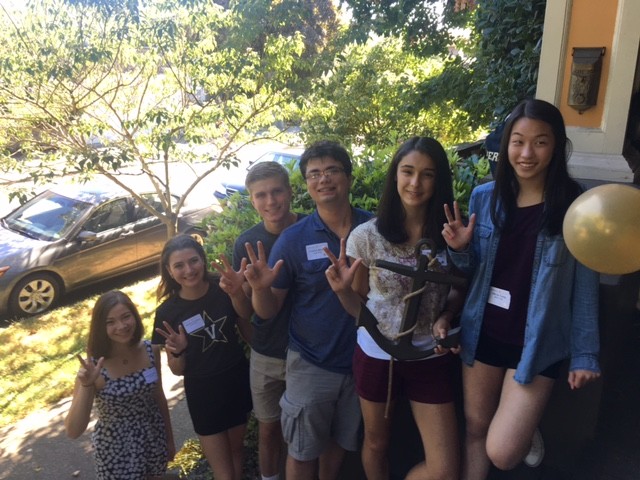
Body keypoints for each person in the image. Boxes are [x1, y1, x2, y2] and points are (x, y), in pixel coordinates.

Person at [442, 98, 601, 479]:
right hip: (485, 331)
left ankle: (524, 428)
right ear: (506, 145)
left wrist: (585, 353)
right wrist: (460, 249)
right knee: (476, 428)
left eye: (540, 142)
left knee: (502, 451)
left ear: (557, 146)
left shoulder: (575, 204)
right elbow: (471, 272)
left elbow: (585, 284)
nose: (527, 153)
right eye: (518, 141)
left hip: (539, 339)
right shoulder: (484, 197)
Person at [323, 137, 465, 480]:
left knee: (445, 469)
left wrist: (446, 317)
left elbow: (460, 288)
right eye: (408, 171)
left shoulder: (451, 235)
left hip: (429, 356)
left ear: (438, 180)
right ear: (395, 175)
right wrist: (342, 292)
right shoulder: (366, 237)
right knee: (376, 443)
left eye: (427, 174)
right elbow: (359, 307)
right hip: (377, 355)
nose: (415, 183)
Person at [244, 140, 373, 480]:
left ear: (348, 177)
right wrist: (260, 289)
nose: (323, 179)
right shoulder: (293, 239)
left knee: (340, 444)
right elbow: (268, 311)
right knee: (302, 453)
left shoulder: (374, 229)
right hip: (311, 364)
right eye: (314, 174)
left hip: (362, 361)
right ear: (306, 185)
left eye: (332, 170)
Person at [215, 161, 305, 480]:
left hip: (309, 354)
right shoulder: (247, 242)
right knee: (268, 431)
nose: (270, 201)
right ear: (252, 200)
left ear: (290, 191)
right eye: (261, 195)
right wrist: (236, 293)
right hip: (266, 354)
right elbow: (245, 312)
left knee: (304, 433)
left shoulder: (311, 229)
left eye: (276, 191)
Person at [152, 234, 252, 480]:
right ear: (169, 271)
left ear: (203, 260)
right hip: (203, 392)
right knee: (223, 472)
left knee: (237, 452)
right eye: (179, 265)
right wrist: (178, 350)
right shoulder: (167, 312)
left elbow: (248, 325)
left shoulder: (224, 286)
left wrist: (238, 293)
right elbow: (176, 369)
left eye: (193, 261)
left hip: (236, 379)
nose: (189, 270)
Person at [65, 290, 175, 480]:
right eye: (110, 322)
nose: (121, 326)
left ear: (135, 316)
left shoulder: (151, 349)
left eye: (126, 317)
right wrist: (86, 385)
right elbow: (73, 430)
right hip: (116, 450)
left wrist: (169, 440)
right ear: (101, 327)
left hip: (153, 438)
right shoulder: (94, 367)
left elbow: (158, 396)